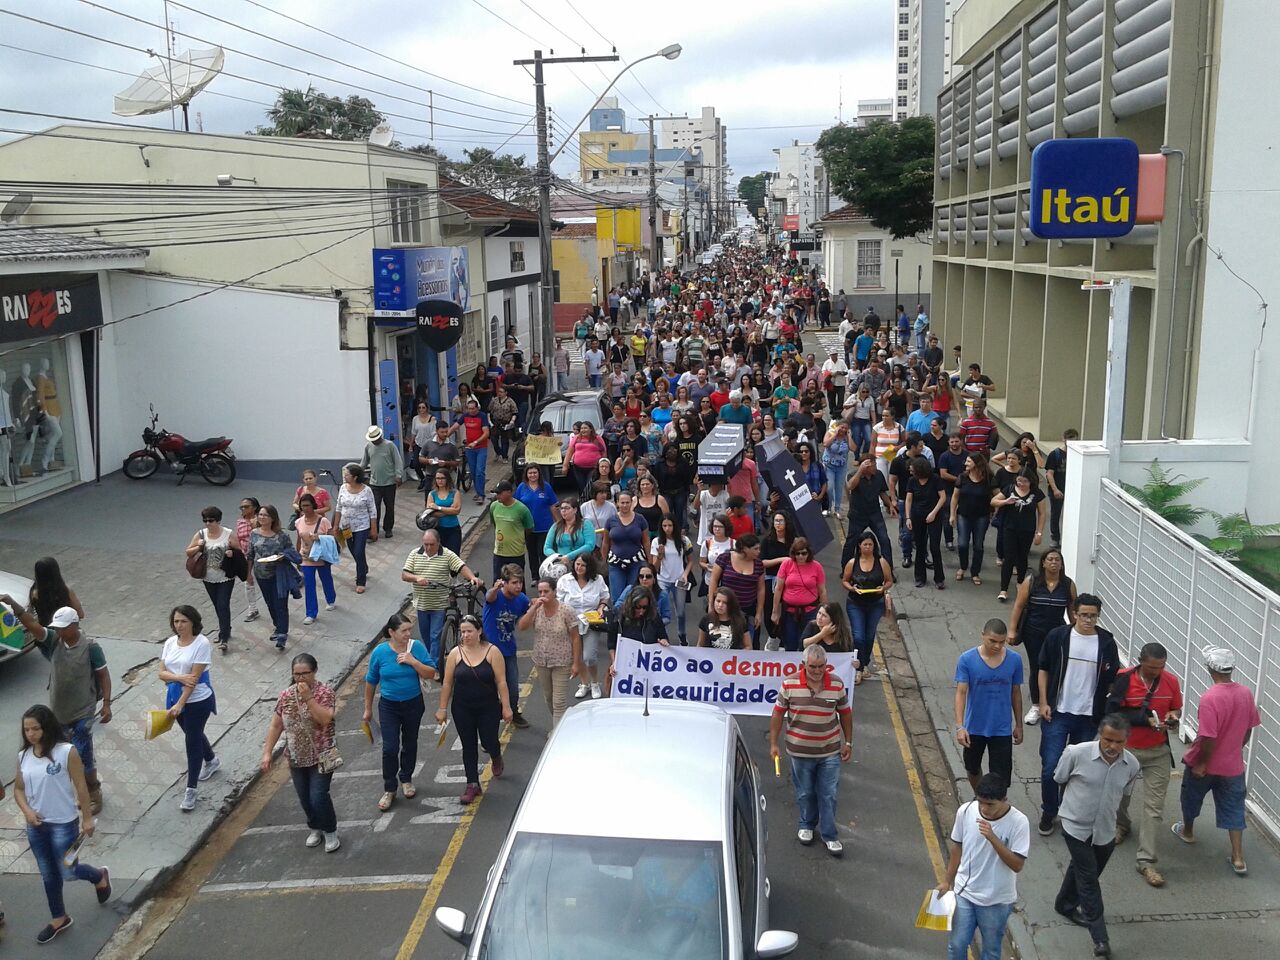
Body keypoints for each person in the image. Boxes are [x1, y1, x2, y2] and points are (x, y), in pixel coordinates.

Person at [0, 596, 112, 814]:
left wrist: (106, 704)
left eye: (63, 628)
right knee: (63, 757)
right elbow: (32, 625)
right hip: (58, 714)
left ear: (74, 626)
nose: (59, 631)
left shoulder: (91, 648)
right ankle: (77, 793)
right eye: (57, 628)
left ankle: (93, 793)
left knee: (82, 756)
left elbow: (104, 676)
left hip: (83, 712)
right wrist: (11, 603)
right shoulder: (53, 641)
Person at [11, 704, 112, 945]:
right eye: (27, 729)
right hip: (36, 826)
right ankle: (59, 917)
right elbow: (18, 789)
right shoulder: (23, 757)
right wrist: (27, 811)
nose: (31, 734)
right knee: (48, 873)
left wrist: (87, 818)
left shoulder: (67, 752)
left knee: (68, 870)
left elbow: (80, 786)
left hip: (63, 823)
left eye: (35, 728)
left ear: (47, 727)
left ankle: (99, 875)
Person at [1052, 715, 1140, 959]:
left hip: (1105, 832)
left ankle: (1064, 904)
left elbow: (1124, 795)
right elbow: (1060, 779)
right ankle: (1100, 938)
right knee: (1089, 880)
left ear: (1126, 741)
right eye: (1107, 740)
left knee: (1083, 871)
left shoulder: (1131, 765)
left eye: (1118, 742)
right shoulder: (1076, 753)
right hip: (1075, 827)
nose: (1112, 746)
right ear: (1100, 735)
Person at [1173, 645, 1261, 878]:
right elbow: (1249, 728)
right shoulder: (1245, 693)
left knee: (1191, 797)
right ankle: (1238, 857)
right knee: (1233, 808)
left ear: (1209, 669)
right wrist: (1235, 749)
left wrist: (1202, 763)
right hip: (1232, 766)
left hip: (1205, 764)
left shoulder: (1210, 698)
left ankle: (1188, 831)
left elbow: (1208, 736)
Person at [1036, 594, 1121, 836]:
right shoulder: (1058, 637)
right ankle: (1049, 810)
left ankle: (1068, 811)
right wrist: (1043, 701)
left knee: (1077, 770)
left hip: (1088, 717)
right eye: (1084, 614)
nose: (1088, 620)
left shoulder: (1105, 642)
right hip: (1058, 712)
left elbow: (1112, 679)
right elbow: (1043, 669)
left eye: (1093, 615)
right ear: (1074, 613)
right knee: (1051, 766)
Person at [1103, 642, 1182, 886]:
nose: (1156, 672)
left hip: (1158, 751)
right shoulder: (1123, 679)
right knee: (1120, 796)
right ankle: (1121, 824)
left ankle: (1146, 860)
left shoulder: (1171, 682)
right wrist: (1144, 720)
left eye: (1160, 667)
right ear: (1140, 662)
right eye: (1151, 668)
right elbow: (1112, 713)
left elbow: (1176, 709)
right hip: (1128, 750)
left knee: (1153, 807)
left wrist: (1173, 718)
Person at [769, 644, 853, 856]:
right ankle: (806, 824)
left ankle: (829, 835)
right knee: (805, 792)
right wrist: (773, 743)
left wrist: (848, 742)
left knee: (828, 794)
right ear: (803, 665)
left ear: (827, 665)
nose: (817, 671)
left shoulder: (837, 684)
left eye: (821, 666)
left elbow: (845, 713)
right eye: (812, 667)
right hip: (800, 753)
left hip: (829, 752)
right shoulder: (789, 684)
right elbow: (778, 714)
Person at [937, 774, 1030, 960]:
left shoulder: (1019, 822)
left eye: (990, 805)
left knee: (991, 951)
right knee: (956, 945)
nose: (984, 809)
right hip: (965, 893)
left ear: (1004, 800)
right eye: (981, 802)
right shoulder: (966, 811)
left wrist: (993, 838)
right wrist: (947, 881)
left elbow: (1017, 865)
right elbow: (957, 848)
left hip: (996, 901)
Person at [261, 652, 340, 851]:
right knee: (304, 796)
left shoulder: (325, 693)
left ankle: (330, 830)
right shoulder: (286, 695)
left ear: (314, 672)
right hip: (296, 756)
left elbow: (324, 719)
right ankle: (315, 826)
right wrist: (267, 752)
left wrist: (308, 698)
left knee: (318, 795)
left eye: (305, 673)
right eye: (297, 674)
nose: (301, 678)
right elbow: (276, 725)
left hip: (322, 754)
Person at [363, 613, 438, 812]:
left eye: (409, 630)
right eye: (403, 630)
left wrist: (413, 662)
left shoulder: (416, 648)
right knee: (389, 747)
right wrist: (367, 709)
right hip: (389, 706)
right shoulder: (380, 652)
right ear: (391, 632)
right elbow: (371, 681)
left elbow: (432, 673)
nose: (408, 634)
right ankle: (389, 788)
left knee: (410, 742)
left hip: (413, 703)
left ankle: (406, 778)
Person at [435, 615, 512, 805]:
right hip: (462, 707)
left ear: (479, 631)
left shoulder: (493, 652)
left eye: (469, 631)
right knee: (468, 745)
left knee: (488, 740)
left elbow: (501, 681)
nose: (465, 635)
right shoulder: (455, 653)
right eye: (462, 632)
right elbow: (447, 683)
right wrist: (442, 708)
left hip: (488, 707)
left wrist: (507, 706)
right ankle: (472, 783)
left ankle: (496, 755)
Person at [158, 605, 219, 812]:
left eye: (183, 621)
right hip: (175, 695)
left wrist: (180, 704)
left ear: (193, 622)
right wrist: (178, 678)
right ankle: (211, 760)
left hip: (197, 700)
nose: (179, 625)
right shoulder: (169, 643)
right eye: (176, 621)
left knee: (191, 741)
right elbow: (162, 673)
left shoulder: (201, 643)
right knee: (193, 733)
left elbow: (193, 680)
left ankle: (191, 790)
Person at [955, 618, 1024, 793]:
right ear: (983, 635)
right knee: (972, 767)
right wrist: (960, 726)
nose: (997, 646)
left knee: (1001, 776)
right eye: (992, 641)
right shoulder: (967, 659)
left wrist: (1019, 725)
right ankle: (981, 799)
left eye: (1001, 642)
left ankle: (995, 804)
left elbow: (1015, 693)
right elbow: (961, 693)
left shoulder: (1015, 660)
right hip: (974, 727)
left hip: (1001, 729)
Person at [1009, 549, 1076, 725]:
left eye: (1057, 560)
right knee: (1037, 667)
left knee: (1056, 667)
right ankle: (1037, 705)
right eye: (1050, 559)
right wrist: (1012, 630)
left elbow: (1072, 610)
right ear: (1044, 563)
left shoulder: (1068, 584)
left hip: (1057, 633)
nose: (1054, 563)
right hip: (1034, 631)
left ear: (1061, 564)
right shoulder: (1032, 582)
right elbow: (1018, 606)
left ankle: (1052, 703)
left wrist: (1076, 631)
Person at [402, 528, 484, 663]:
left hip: (439, 604)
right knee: (426, 637)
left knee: (435, 636)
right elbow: (405, 574)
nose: (428, 548)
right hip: (421, 604)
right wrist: (416, 578)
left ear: (439, 543)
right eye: (425, 544)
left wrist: (472, 578)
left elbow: (461, 567)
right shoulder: (414, 554)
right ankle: (431, 659)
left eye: (431, 544)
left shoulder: (447, 555)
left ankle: (434, 665)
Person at [517, 578, 583, 729]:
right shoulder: (536, 609)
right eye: (540, 592)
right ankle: (560, 724)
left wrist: (576, 662)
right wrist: (533, 609)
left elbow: (575, 637)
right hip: (541, 660)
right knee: (548, 697)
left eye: (546, 591)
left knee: (559, 701)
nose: (542, 595)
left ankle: (557, 735)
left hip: (561, 661)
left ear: (554, 592)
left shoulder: (566, 611)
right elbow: (522, 626)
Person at [483, 565, 532, 727]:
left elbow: (527, 615)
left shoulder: (522, 599)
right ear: (504, 583)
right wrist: (494, 589)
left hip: (508, 649)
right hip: (489, 651)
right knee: (489, 690)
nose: (518, 586)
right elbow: (489, 597)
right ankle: (490, 726)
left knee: (512, 686)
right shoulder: (495, 596)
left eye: (520, 582)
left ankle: (513, 711)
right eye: (514, 582)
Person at [841, 533, 893, 683]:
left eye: (871, 545)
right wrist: (852, 588)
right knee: (858, 636)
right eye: (865, 545)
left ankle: (863, 663)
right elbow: (845, 580)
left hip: (875, 603)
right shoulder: (852, 562)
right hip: (855, 603)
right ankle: (858, 668)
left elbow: (889, 581)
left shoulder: (881, 562)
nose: (868, 547)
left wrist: (882, 588)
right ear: (859, 546)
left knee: (869, 636)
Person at [185, 505, 239, 653]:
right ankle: (225, 627)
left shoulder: (228, 534)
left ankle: (224, 637)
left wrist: (231, 553)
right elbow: (188, 552)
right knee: (217, 604)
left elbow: (240, 552)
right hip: (208, 576)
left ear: (218, 521)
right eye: (205, 520)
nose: (208, 523)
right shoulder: (201, 535)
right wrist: (198, 547)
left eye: (211, 520)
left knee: (222, 604)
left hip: (225, 576)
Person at [556, 555, 609, 700]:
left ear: (589, 567)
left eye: (583, 565)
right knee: (577, 656)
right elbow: (558, 602)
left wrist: (601, 607)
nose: (579, 568)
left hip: (590, 623)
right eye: (577, 564)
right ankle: (584, 683)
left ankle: (594, 682)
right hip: (571, 624)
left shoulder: (598, 580)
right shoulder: (565, 580)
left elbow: (605, 597)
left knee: (589, 657)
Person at [248, 504, 299, 650]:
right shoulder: (254, 533)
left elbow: (291, 551)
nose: (262, 517)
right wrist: (248, 574)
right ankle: (277, 626)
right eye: (260, 515)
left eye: (265, 515)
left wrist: (283, 556)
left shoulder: (281, 535)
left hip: (279, 574)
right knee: (270, 603)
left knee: (280, 604)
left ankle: (282, 633)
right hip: (261, 574)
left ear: (273, 518)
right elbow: (250, 554)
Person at [992, 473, 1046, 601]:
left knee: (1022, 557)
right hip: (1009, 528)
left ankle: (1021, 582)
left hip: (1027, 530)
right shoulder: (1009, 489)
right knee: (1008, 558)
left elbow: (1042, 514)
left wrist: (1039, 533)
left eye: (1025, 481)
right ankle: (1003, 589)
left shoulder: (1037, 493)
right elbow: (993, 501)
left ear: (1031, 482)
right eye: (1019, 481)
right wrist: (1005, 501)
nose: (1021, 484)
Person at [773, 537, 828, 652]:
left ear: (809, 553)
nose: (800, 556)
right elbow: (778, 588)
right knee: (790, 643)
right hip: (789, 612)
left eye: (804, 553)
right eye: (797, 553)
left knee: (810, 644)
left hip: (811, 611)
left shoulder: (816, 566)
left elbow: (822, 591)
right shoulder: (786, 564)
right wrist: (775, 611)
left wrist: (826, 613)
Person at [708, 533, 766, 641]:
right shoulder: (725, 558)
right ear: (745, 549)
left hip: (748, 611)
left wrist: (759, 612)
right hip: (725, 610)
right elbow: (713, 581)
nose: (759, 552)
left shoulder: (758, 564)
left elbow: (761, 589)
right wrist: (711, 605)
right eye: (755, 549)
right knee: (724, 641)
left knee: (748, 642)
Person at [844, 454, 897, 567]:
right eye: (873, 466)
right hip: (858, 515)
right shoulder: (853, 475)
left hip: (875, 514)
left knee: (884, 540)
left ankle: (888, 569)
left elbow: (882, 492)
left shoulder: (878, 475)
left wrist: (890, 505)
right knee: (851, 542)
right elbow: (850, 486)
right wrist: (860, 471)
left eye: (875, 465)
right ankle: (846, 568)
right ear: (865, 467)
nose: (875, 468)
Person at [650, 514, 695, 644]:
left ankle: (682, 635)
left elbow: (691, 561)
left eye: (670, 525)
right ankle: (660, 636)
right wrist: (659, 555)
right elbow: (654, 567)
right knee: (659, 610)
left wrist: (685, 574)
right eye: (664, 526)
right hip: (662, 580)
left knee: (680, 612)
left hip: (679, 580)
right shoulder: (656, 542)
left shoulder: (684, 540)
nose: (667, 528)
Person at [950, 452, 993, 586]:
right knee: (962, 544)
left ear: (977, 463)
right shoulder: (962, 477)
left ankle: (975, 572)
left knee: (978, 546)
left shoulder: (988, 478)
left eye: (968, 462)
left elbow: (998, 494)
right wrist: (952, 514)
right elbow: (955, 497)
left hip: (982, 516)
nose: (965, 464)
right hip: (964, 515)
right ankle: (963, 567)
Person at [334, 463, 377, 594]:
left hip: (362, 526)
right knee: (353, 550)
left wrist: (373, 528)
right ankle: (363, 566)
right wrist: (336, 525)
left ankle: (361, 580)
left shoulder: (366, 490)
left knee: (359, 551)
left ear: (355, 476)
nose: (345, 477)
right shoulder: (343, 488)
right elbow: (338, 508)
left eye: (347, 475)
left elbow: (372, 510)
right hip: (346, 526)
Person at [294, 494, 337, 626]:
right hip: (306, 557)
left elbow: (332, 539)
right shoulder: (299, 522)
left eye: (307, 505)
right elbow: (299, 539)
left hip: (321, 557)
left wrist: (320, 537)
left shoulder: (323, 521)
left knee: (326, 578)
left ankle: (330, 599)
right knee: (309, 585)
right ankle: (311, 613)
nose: (305, 508)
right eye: (303, 506)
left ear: (313, 505)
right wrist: (297, 557)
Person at [905, 457, 948, 588]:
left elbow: (942, 497)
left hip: (934, 515)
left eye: (913, 470)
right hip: (918, 515)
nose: (911, 472)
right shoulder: (912, 481)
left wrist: (933, 513)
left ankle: (939, 578)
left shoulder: (935, 479)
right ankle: (919, 577)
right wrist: (908, 517)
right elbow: (909, 500)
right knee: (920, 546)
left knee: (935, 547)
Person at [602, 489, 650, 598]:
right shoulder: (610, 520)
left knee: (635, 596)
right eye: (622, 503)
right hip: (615, 563)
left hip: (636, 562)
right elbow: (605, 543)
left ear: (632, 503)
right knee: (617, 597)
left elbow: (646, 542)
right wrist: (603, 561)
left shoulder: (640, 519)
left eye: (627, 502)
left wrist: (650, 562)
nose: (625, 505)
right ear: (617, 503)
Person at [359, 425, 404, 539]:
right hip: (374, 483)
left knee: (389, 506)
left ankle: (388, 528)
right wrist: (356, 473)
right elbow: (364, 463)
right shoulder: (368, 446)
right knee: (375, 508)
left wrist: (398, 475)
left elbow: (398, 461)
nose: (374, 441)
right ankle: (374, 529)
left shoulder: (390, 445)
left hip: (389, 482)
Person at [515, 464, 558, 576]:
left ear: (539, 474)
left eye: (535, 472)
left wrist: (559, 523)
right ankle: (535, 575)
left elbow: (553, 506)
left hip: (545, 526)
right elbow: (516, 506)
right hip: (528, 528)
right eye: (530, 473)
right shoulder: (521, 487)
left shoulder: (546, 487)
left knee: (543, 552)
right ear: (526, 475)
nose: (533, 475)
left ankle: (545, 574)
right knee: (532, 553)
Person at [489, 480, 535, 584]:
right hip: (499, 553)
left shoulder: (521, 509)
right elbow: (495, 524)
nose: (497, 496)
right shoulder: (494, 506)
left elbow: (529, 527)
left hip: (516, 553)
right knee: (498, 583)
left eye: (500, 493)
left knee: (517, 583)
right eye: (496, 493)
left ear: (509, 492)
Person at [28, 556, 84, 628]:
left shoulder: (34, 593)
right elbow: (81, 614)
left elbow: (32, 615)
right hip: (67, 631)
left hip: (47, 632)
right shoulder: (65, 591)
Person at [1045, 428, 1077, 547]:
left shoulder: (1078, 455)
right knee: (1055, 514)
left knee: (1072, 515)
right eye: (1069, 439)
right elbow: (1049, 473)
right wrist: (1055, 489)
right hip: (1058, 489)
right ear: (1063, 439)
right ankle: (1055, 537)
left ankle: (1070, 539)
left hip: (1072, 490)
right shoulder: (1055, 454)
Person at [424, 468, 464, 554]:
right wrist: (449, 510)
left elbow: (456, 511)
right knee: (439, 556)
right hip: (438, 529)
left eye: (442, 478)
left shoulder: (454, 493)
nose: (440, 481)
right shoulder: (432, 494)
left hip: (453, 529)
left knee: (454, 555)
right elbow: (430, 513)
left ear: (447, 479)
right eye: (438, 478)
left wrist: (438, 508)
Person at [235, 497, 262, 622]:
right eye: (242, 507)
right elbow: (238, 539)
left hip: (260, 556)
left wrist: (255, 524)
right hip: (246, 556)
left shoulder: (261, 519)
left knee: (266, 581)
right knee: (248, 582)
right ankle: (253, 609)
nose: (243, 509)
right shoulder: (240, 522)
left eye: (246, 506)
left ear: (254, 508)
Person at [459, 398, 491, 503]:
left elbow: (486, 433)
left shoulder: (482, 416)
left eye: (473, 408)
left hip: (481, 447)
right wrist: (444, 436)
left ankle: (481, 495)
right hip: (469, 448)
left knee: (479, 471)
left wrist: (476, 442)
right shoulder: (465, 416)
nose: (471, 411)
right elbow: (455, 426)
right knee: (473, 472)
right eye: (469, 409)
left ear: (477, 408)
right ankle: (478, 492)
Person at [418, 420, 460, 490]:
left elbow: (457, 462)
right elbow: (420, 458)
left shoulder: (451, 445)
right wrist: (428, 461)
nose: (445, 434)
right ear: (437, 431)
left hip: (445, 478)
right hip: (430, 476)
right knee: (429, 500)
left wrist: (446, 463)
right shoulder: (428, 443)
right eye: (442, 432)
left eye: (446, 432)